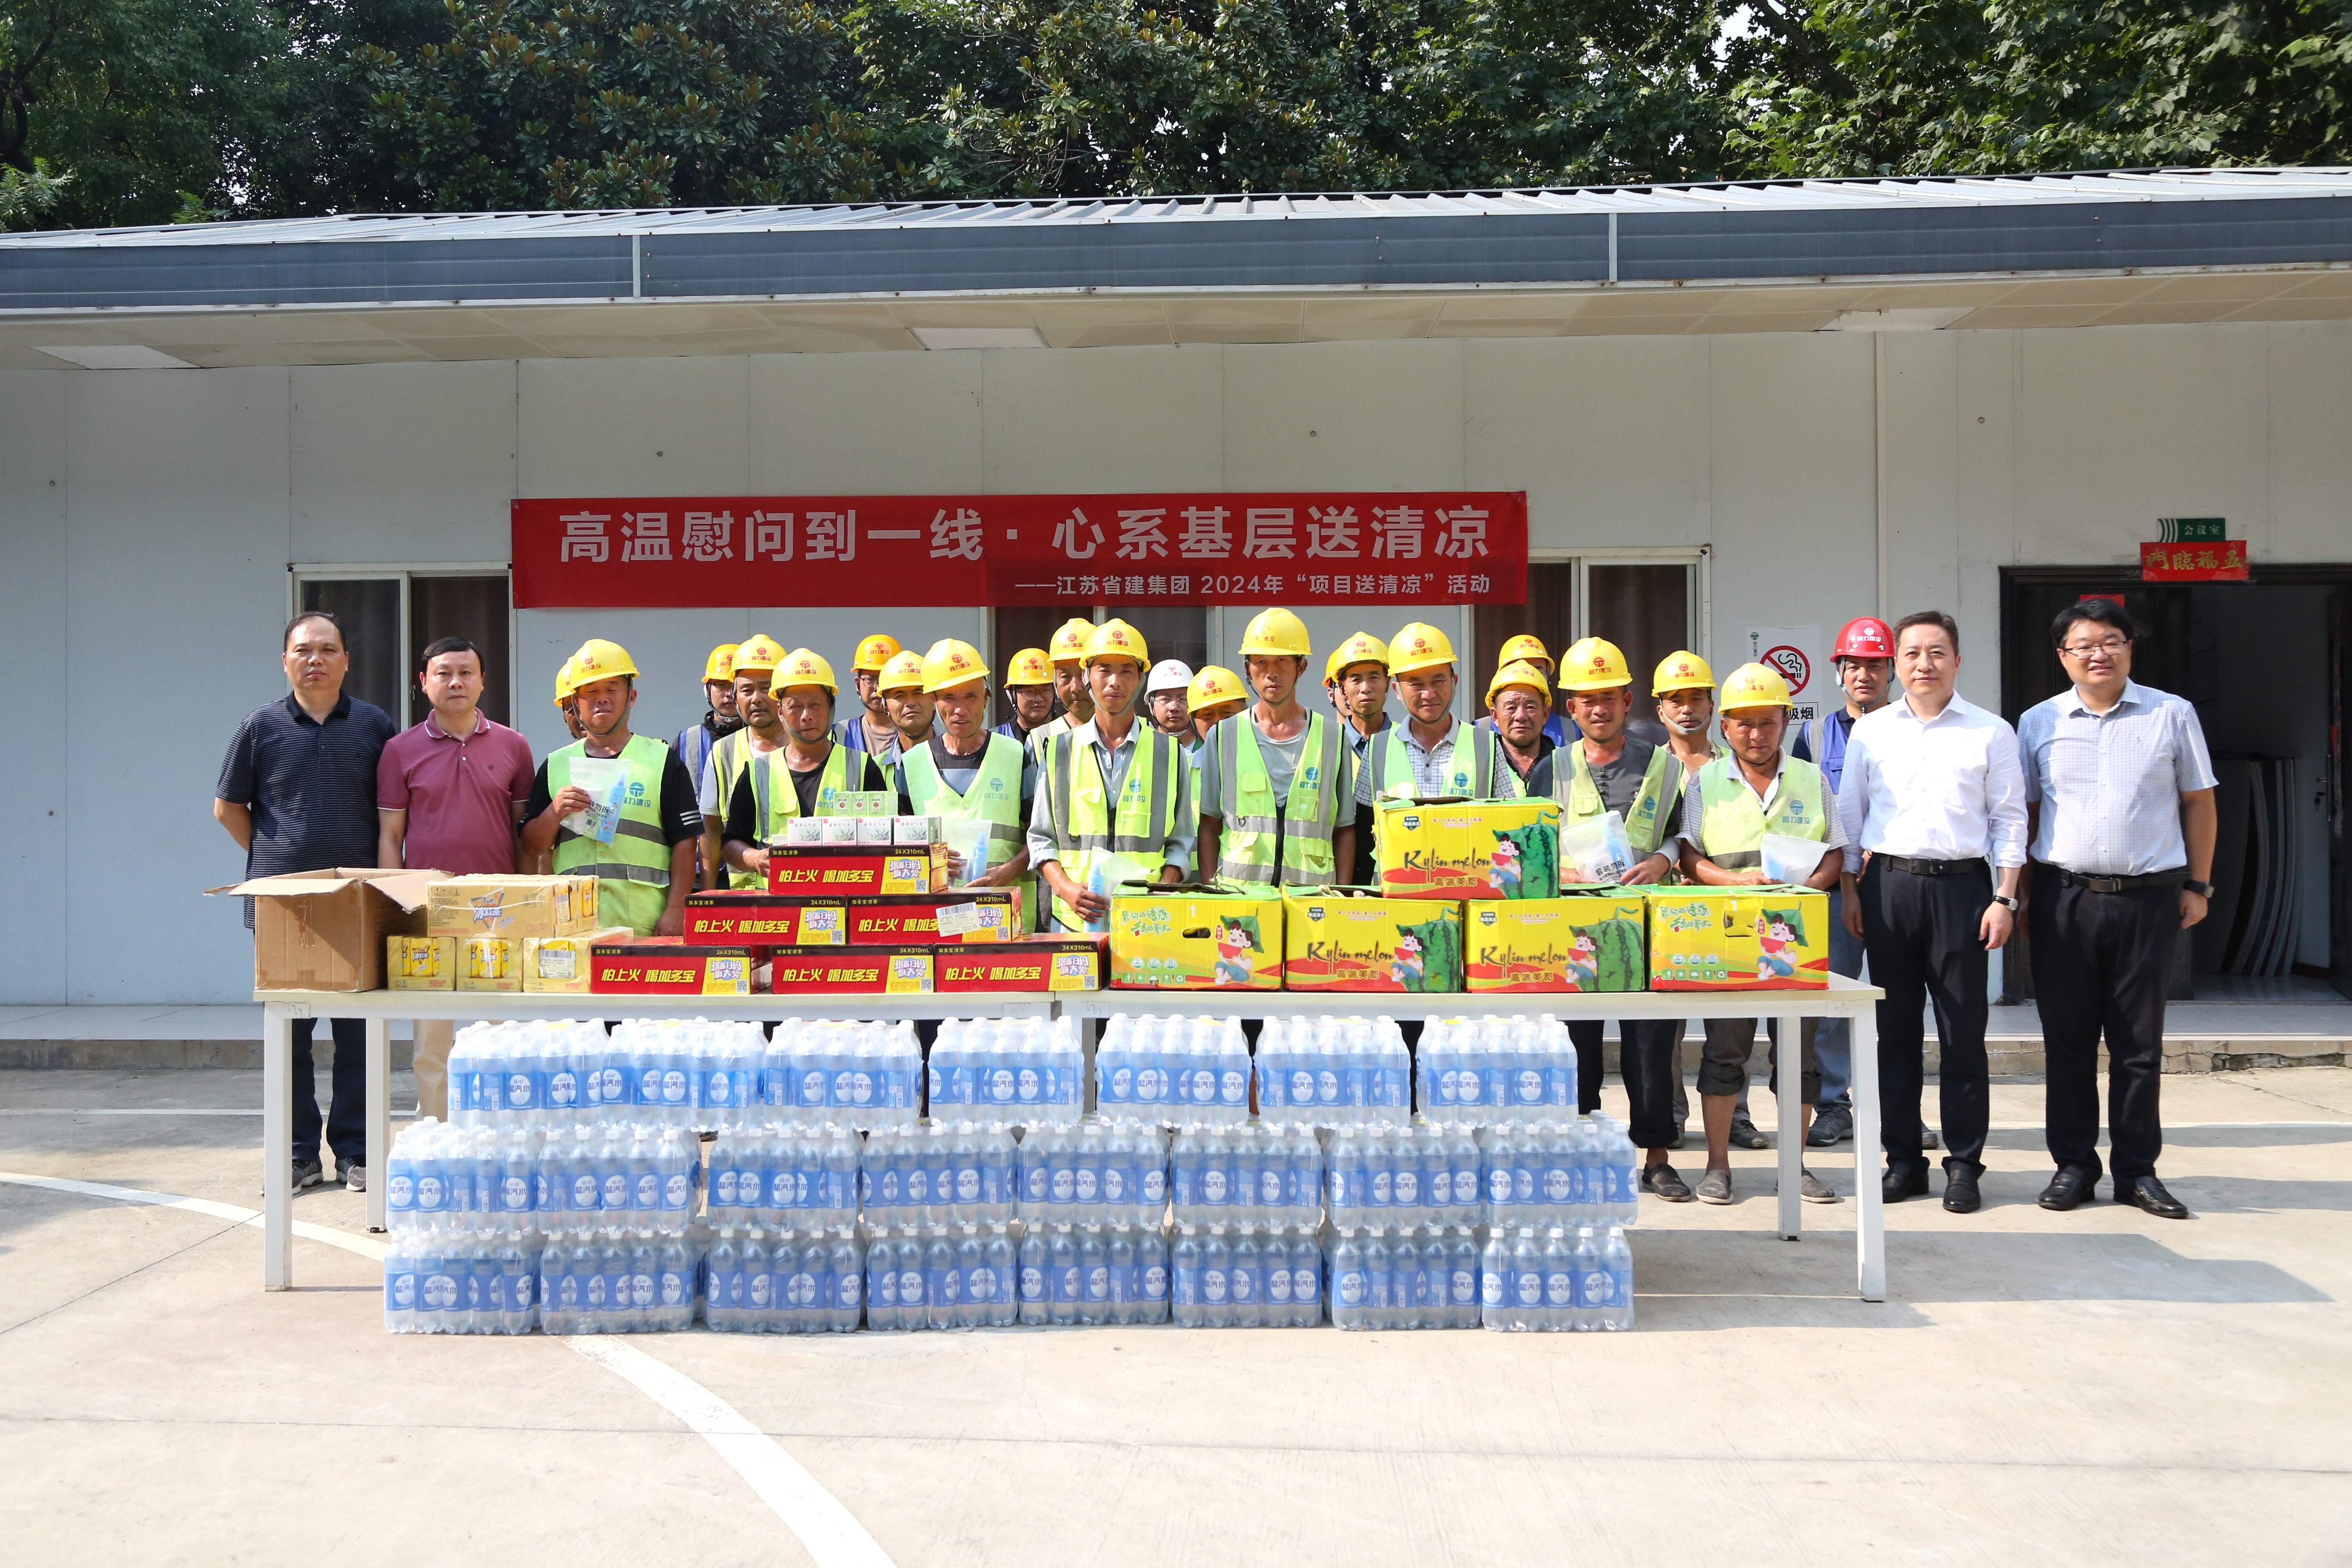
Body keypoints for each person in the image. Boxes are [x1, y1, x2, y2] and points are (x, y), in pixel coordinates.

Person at [2018, 598, 2215, 1220]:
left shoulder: (2171, 714)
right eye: (2083, 644)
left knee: (2138, 1045)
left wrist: (2199, 884)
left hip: (2149, 898)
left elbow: (2199, 802)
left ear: (2130, 647)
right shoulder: (2037, 722)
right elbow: (2023, 814)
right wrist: (2019, 894)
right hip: (2063, 898)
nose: (2097, 653)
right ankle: (2073, 1166)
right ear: (2063, 656)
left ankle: (2136, 1171)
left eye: (2110, 641)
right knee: (2067, 1043)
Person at [1838, 610, 2028, 1214]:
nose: (1925, 663)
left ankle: (1964, 1164)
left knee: (1962, 1034)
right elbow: (1850, 816)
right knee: (1894, 1033)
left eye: (1937, 652)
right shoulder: (1872, 731)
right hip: (1888, 888)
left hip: (1962, 890)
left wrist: (2005, 897)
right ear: (1897, 664)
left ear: (1958, 660)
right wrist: (1851, 890)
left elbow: (2010, 820)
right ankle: (1903, 1161)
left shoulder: (1990, 731)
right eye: (1913, 653)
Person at [214, 610, 397, 1192]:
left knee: (358, 1034)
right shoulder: (259, 726)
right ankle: (298, 1156)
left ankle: (355, 1152)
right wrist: (277, 854)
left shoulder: (374, 725)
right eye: (303, 650)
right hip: (283, 903)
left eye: (327, 649)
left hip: (357, 901)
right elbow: (228, 807)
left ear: (346, 660)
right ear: (285, 660)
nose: (315, 659)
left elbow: (392, 806)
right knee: (288, 1034)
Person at [1676, 663, 1846, 1207]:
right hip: (1730, 936)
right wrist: (1734, 881)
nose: (1756, 734)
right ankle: (1717, 1166)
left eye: (1767, 721)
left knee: (1798, 1057)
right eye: (1744, 723)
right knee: (1725, 1051)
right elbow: (1688, 855)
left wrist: (1806, 891)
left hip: (1796, 939)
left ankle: (1793, 1167)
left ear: (1784, 721)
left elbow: (1836, 852)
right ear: (1724, 726)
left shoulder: (1811, 778)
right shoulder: (1704, 782)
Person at [1544, 637, 1691, 1195]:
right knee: (1576, 1046)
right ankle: (1581, 1152)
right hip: (1577, 930)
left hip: (1648, 928)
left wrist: (1662, 859)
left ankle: (1656, 1157)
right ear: (1572, 708)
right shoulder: (1551, 769)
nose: (1599, 708)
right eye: (1587, 699)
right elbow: (1531, 843)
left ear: (1628, 701)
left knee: (1651, 1048)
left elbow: (1682, 834)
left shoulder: (1664, 766)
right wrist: (1561, 871)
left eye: (1609, 697)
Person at [376, 635, 534, 1122]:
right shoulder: (399, 750)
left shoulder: (514, 745)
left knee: (503, 1034)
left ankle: (504, 1133)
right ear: (424, 682)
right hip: (430, 909)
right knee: (432, 1039)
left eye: (466, 672)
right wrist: (395, 908)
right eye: (444, 673)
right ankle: (436, 1131)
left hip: (499, 909)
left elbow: (524, 835)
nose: (456, 682)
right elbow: (391, 836)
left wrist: (531, 905)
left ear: (483, 680)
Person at [1792, 617, 1896, 1150]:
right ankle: (1834, 1105)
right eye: (1853, 665)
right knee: (1832, 1003)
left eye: (1875, 665)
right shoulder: (1812, 735)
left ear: (1891, 670)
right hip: (1835, 890)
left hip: (1900, 884)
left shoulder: (1909, 729)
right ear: (1837, 671)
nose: (1864, 675)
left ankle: (1900, 1108)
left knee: (1899, 1001)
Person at [519, 640, 702, 937]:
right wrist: (555, 812)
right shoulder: (555, 765)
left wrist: (676, 911)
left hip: (643, 924)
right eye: (591, 691)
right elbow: (531, 847)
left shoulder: (661, 760)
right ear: (576, 702)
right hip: (574, 926)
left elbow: (686, 841)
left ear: (632, 697)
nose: (602, 698)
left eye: (612, 688)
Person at [1028, 619, 1195, 930]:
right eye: (1104, 670)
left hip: (1146, 922)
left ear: (1141, 679)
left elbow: (1181, 841)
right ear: (1087, 677)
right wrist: (1065, 889)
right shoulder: (1059, 751)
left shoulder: (1169, 753)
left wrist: (1163, 888)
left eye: (1127, 671)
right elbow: (1041, 838)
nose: (1115, 682)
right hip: (1074, 926)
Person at [1196, 608, 1357, 889]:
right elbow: (1209, 825)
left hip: (1312, 900)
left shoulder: (1333, 737)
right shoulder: (1223, 736)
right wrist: (1213, 891)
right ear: (1248, 668)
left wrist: (1340, 895)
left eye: (1282, 661)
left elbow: (1344, 829)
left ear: (1301, 667)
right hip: (1240, 898)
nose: (1271, 673)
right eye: (1261, 662)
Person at [901, 639, 1038, 927]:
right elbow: (899, 849)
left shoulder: (1016, 756)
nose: (960, 709)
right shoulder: (911, 764)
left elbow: (1041, 834)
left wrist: (1008, 871)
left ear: (987, 698)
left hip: (1007, 917)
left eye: (971, 697)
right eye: (949, 697)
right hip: (937, 920)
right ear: (934, 701)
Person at [722, 648, 892, 878]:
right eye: (795, 707)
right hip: (777, 898)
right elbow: (730, 842)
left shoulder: (862, 767)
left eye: (815, 705)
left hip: (844, 894)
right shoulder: (757, 772)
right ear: (780, 712)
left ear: (831, 707)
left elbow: (885, 838)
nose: (806, 716)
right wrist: (754, 858)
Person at [1357, 622, 1516, 810]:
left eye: (1438, 681)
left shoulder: (1486, 745)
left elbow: (1508, 817)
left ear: (1454, 682)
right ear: (1397, 690)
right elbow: (1364, 822)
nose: (1429, 694)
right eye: (1416, 684)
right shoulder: (1377, 749)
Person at [697, 634, 788, 891]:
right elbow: (711, 831)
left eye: (766, 688)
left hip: (803, 892)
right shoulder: (722, 752)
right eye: (747, 690)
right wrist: (708, 893)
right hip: (744, 896)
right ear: (736, 696)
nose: (756, 698)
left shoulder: (814, 746)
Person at [1325, 632, 1391, 884]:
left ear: (1388, 682)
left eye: (1374, 677)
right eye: (1355, 679)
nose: (1366, 688)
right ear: (1342, 688)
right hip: (1334, 883)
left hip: (1395, 883)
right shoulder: (1325, 745)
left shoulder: (1404, 744)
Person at [675, 642, 743, 806]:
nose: (729, 694)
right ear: (707, 690)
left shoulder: (764, 740)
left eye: (736, 686)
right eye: (721, 685)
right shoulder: (686, 742)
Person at [1480, 632, 1571, 745]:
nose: (1528, 674)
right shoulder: (1480, 730)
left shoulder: (1571, 731)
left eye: (1537, 670)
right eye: (1518, 669)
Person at [1487, 660, 1558, 795]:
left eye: (1530, 707)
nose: (1521, 716)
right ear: (1495, 716)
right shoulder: (1480, 763)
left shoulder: (1567, 763)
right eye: (1511, 707)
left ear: (1545, 714)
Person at [1027, 618, 1099, 752]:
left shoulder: (1134, 733)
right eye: (1065, 677)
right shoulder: (1040, 739)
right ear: (1054, 681)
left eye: (1084, 675)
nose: (1076, 688)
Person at [838, 632, 904, 764]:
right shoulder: (839, 734)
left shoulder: (917, 733)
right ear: (857, 684)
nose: (878, 688)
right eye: (870, 680)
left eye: (885, 680)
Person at [875, 649, 937, 762]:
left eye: (919, 693)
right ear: (885, 707)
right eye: (900, 696)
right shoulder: (874, 769)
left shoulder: (962, 761)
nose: (910, 702)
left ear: (934, 700)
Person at [997, 647, 1057, 748]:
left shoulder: (1070, 736)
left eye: (1046, 690)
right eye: (1029, 692)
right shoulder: (996, 740)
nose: (1038, 699)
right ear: (1012, 695)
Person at [1187, 667, 1248, 746]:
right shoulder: (1190, 755)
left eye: (1226, 712)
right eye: (1208, 715)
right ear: (1194, 721)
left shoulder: (1261, 750)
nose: (1218, 722)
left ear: (1245, 711)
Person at [1146, 660, 1195, 740]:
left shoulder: (1209, 746)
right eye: (1166, 699)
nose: (1174, 708)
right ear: (1152, 706)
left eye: (1182, 699)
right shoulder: (1141, 745)